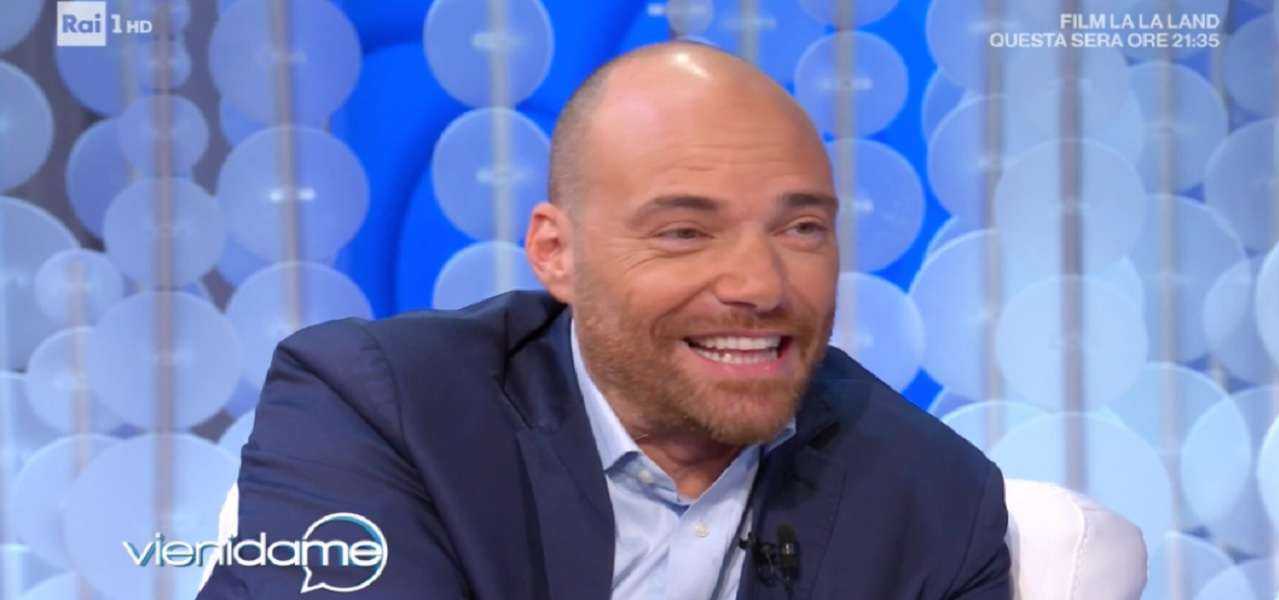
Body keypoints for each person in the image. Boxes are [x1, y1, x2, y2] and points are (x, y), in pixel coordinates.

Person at [197, 41, 1010, 599]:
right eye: (684, 232)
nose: (760, 286)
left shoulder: (935, 496)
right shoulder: (378, 406)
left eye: (802, 229)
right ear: (555, 253)